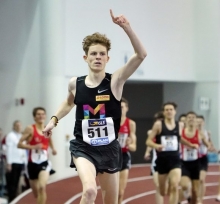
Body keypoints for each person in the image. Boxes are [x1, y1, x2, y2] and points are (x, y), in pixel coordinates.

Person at [42, 9, 146, 204]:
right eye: (93, 54)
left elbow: (141, 55)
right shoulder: (75, 84)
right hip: (84, 147)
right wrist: (53, 121)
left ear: (108, 58)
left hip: (109, 149)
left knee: (111, 201)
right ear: (85, 58)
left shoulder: (115, 81)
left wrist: (127, 28)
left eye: (102, 54)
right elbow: (68, 102)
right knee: (90, 191)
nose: (98, 57)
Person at [147, 102, 198, 204]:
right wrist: (157, 146)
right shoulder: (158, 125)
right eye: (166, 110)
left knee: (174, 186)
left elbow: (180, 139)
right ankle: (164, 188)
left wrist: (190, 145)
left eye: (171, 109)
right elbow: (148, 141)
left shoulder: (180, 125)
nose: (169, 111)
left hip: (175, 160)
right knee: (163, 191)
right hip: (162, 161)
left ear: (175, 111)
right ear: (164, 112)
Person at [17, 107, 57, 204]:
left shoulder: (47, 128)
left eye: (43, 114)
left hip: (44, 162)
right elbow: (19, 144)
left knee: (42, 187)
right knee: (36, 193)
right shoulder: (30, 129)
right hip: (32, 164)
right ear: (34, 117)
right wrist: (33, 147)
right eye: (38, 114)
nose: (41, 116)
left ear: (45, 116)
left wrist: (53, 148)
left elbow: (49, 139)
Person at [179, 112, 210, 204]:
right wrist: (191, 145)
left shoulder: (199, 133)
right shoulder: (182, 132)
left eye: (193, 117)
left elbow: (207, 145)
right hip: (184, 163)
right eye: (189, 117)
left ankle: (193, 200)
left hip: (196, 163)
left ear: (196, 120)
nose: (191, 119)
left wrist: (205, 142)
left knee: (195, 191)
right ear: (186, 120)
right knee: (184, 185)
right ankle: (186, 195)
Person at [118, 97, 137, 204]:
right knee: (111, 191)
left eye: (121, 107)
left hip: (124, 156)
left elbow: (134, 147)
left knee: (120, 192)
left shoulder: (131, 123)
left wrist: (129, 144)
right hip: (111, 157)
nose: (119, 109)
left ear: (127, 109)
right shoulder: (109, 121)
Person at [144, 111, 164, 204]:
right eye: (157, 121)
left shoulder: (172, 131)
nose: (159, 123)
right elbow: (150, 143)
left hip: (171, 161)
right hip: (156, 162)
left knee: (169, 187)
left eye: (161, 121)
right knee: (158, 185)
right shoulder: (152, 132)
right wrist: (147, 152)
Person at [5, 120, 27, 202]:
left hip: (20, 161)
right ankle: (11, 199)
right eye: (16, 125)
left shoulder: (21, 136)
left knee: (17, 181)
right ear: (13, 126)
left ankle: (14, 198)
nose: (18, 127)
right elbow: (9, 149)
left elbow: (23, 149)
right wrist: (9, 163)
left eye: (20, 125)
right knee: (12, 182)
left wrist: (25, 162)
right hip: (13, 162)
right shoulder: (11, 136)